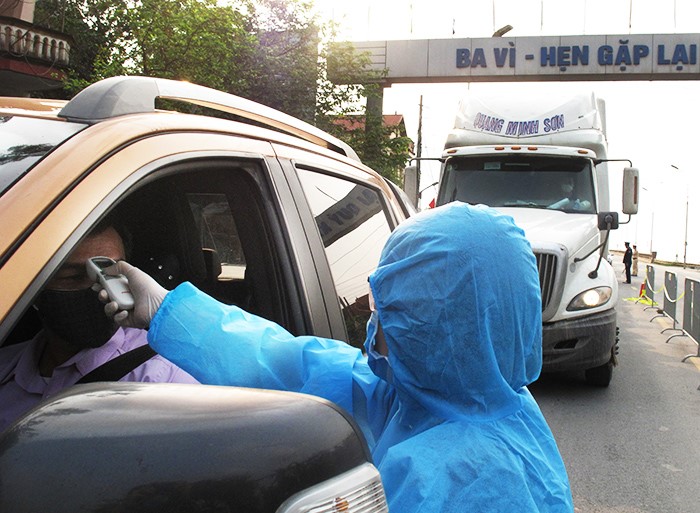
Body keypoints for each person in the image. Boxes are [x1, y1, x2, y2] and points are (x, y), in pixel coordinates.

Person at [101, 203, 574, 512]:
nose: (374, 322)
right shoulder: (470, 399)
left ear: (432, 326)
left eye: (386, 307)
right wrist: (169, 310)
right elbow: (294, 365)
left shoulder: (455, 481)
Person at [0, 218, 198, 432]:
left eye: (111, 274)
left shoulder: (165, 382)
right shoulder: (5, 366)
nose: (98, 289)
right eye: (74, 276)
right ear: (34, 291)